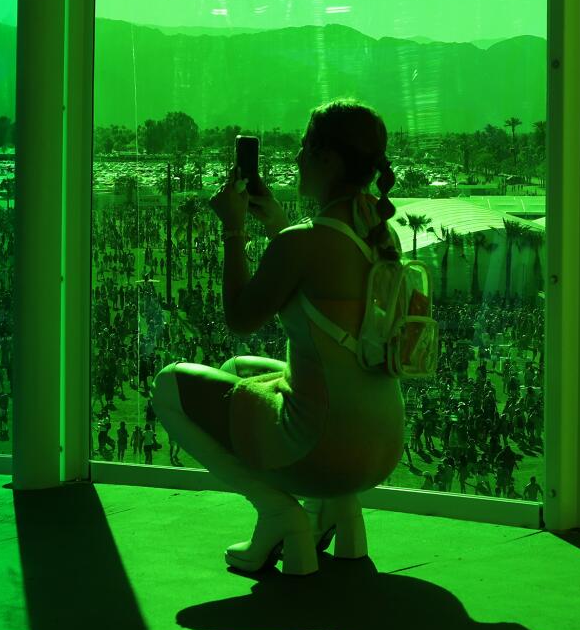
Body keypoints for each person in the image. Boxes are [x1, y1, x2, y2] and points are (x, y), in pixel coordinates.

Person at [151, 99, 408, 576]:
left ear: (328, 159)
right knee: (239, 370)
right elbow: (324, 275)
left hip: (325, 448)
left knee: (168, 386)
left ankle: (279, 514)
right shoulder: (378, 229)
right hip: (381, 443)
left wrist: (233, 228)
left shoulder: (302, 242)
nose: (295, 158)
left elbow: (240, 318)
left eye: (305, 147)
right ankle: (337, 511)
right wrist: (275, 223)